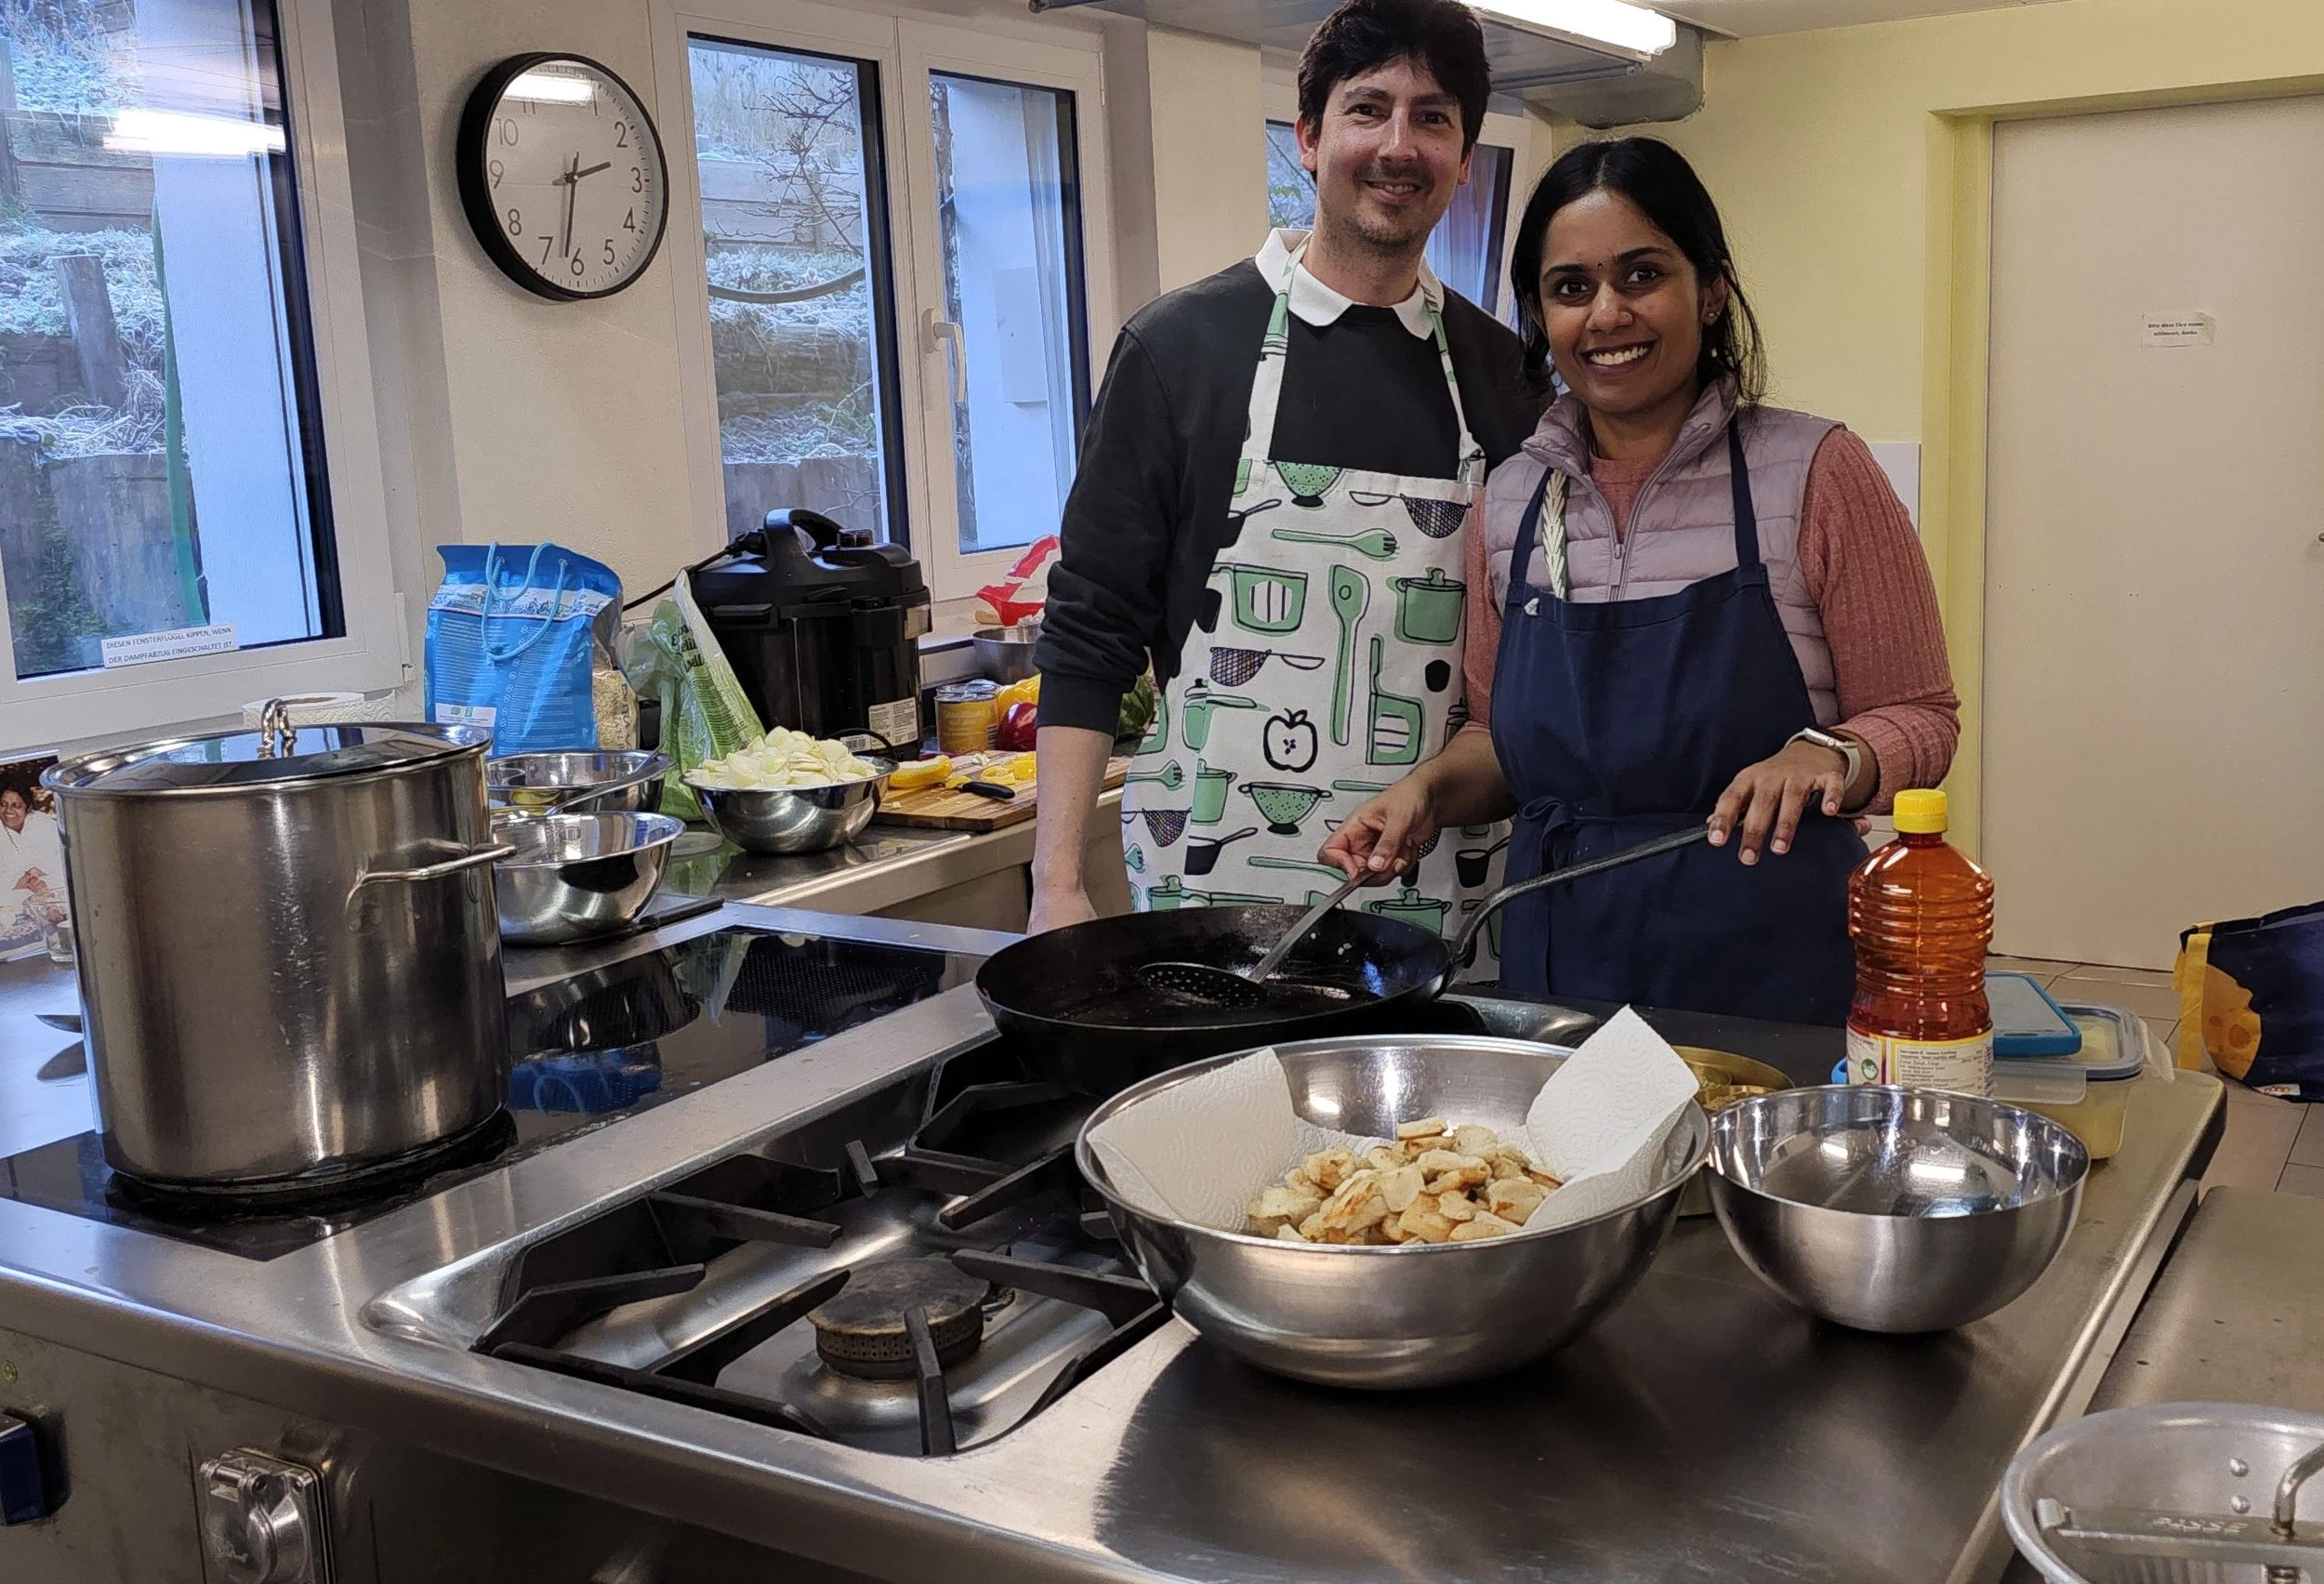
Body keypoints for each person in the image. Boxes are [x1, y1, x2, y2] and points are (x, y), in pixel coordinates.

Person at [1321, 139, 1960, 1025]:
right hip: (1562, 953)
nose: (1607, 314)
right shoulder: (1510, 499)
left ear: (1712, 288)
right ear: (1541, 316)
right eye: (1571, 288)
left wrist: (1829, 754)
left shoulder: (1815, 470)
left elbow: (1922, 716)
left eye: (1642, 275)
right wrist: (1425, 793)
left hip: (1770, 957)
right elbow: (1496, 742)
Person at [1028, 0, 1541, 940]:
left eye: (1432, 118)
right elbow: (1090, 623)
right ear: (1307, 138)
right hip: (1215, 881)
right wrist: (1055, 879)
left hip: (1437, 892)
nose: (1398, 144)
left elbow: (1525, 664)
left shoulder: (1504, 377)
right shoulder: (1179, 349)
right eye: (1367, 109)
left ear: (1465, 160)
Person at [0, 773, 66, 947]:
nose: (8, 811)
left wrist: (41, 871)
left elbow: (63, 854)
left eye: (16, 806)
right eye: (3, 804)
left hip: (51, 882)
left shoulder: (43, 823)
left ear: (27, 807)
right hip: (12, 893)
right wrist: (20, 882)